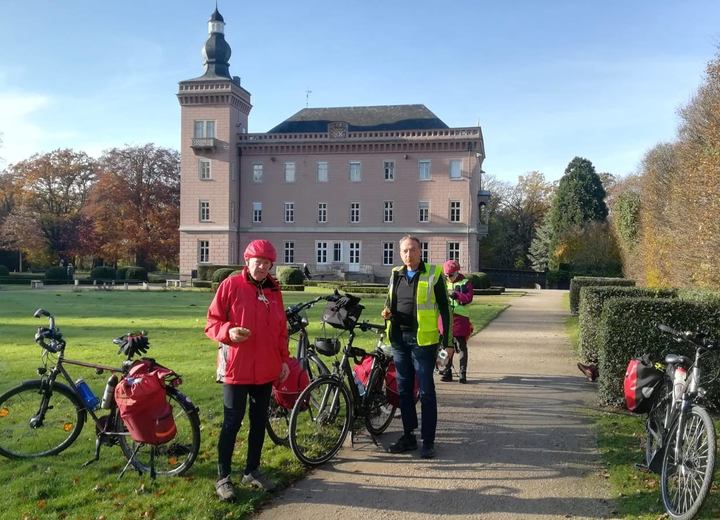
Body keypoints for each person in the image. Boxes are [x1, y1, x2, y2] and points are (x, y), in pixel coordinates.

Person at [205, 239, 290, 501]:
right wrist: (228, 332)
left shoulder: (274, 292)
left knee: (258, 422)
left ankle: (252, 470)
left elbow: (280, 331)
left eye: (267, 263)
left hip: (265, 369)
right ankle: (223, 477)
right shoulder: (231, 285)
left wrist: (284, 360)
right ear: (247, 261)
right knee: (232, 422)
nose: (262, 267)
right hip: (236, 368)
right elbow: (212, 323)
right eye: (258, 261)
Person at [381, 234, 450, 459]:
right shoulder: (395, 274)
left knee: (427, 392)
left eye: (412, 250)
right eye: (404, 251)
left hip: (423, 343)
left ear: (420, 251)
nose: (408, 254)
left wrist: (448, 343)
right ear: (399, 253)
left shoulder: (433, 273)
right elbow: (389, 302)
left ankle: (428, 441)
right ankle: (409, 436)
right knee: (404, 391)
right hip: (399, 341)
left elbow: (445, 309)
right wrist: (386, 312)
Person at [437, 260, 473, 384]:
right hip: (445, 317)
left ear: (457, 272)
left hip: (460, 318)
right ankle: (446, 371)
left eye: (451, 275)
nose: (449, 278)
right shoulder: (442, 282)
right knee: (445, 345)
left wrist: (457, 295)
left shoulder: (465, 282)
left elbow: (469, 298)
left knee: (461, 346)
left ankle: (463, 373)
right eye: (446, 275)